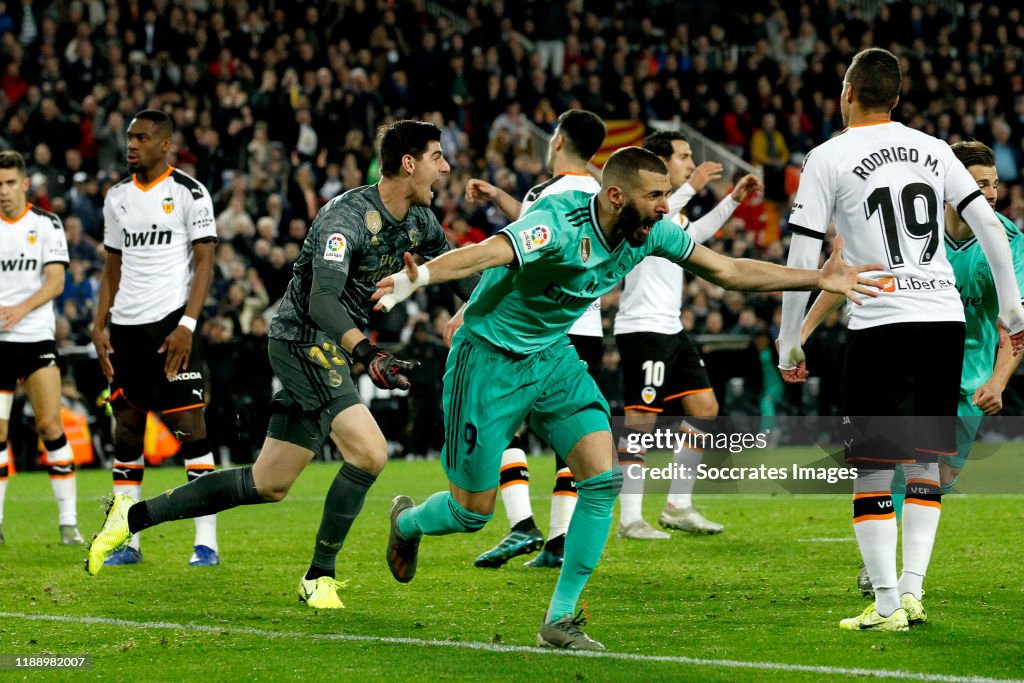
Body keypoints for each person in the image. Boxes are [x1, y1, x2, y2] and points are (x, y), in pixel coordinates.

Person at [373, 146, 881, 650]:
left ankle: (561, 618)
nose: (666, 206)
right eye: (655, 195)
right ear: (616, 196)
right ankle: (409, 521)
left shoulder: (653, 232)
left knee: (602, 477)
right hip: (489, 361)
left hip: (551, 358)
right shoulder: (559, 222)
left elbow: (726, 271)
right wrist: (419, 276)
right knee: (473, 512)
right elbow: (490, 252)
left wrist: (818, 277)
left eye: (666, 194)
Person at [85, 121, 479, 611]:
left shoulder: (420, 221)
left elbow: (465, 272)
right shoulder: (347, 217)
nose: (445, 167)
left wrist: (479, 303)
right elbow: (321, 301)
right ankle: (319, 575)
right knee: (371, 453)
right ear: (408, 163)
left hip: (332, 348)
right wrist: (368, 354)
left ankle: (129, 518)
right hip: (302, 340)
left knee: (267, 484)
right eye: (437, 156)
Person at [776, 49, 1024, 633]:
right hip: (942, 317)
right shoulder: (934, 149)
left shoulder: (827, 156)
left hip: (881, 320)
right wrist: (1013, 310)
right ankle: (911, 594)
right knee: (925, 465)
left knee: (870, 468)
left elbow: (804, 253)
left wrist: (791, 337)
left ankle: (886, 605)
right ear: (896, 97)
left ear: (848, 90)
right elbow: (989, 222)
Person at [464, 109, 607, 569]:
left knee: (503, 423)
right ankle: (561, 539)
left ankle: (522, 524)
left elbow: (520, 250)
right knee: (571, 438)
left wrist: (467, 309)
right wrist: (499, 196)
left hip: (540, 331)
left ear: (559, 140)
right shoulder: (604, 196)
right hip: (589, 327)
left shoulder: (547, 192)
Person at [613, 130, 762, 539]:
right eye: (684, 156)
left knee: (704, 408)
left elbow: (694, 236)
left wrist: (732, 199)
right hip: (643, 327)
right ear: (659, 164)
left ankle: (678, 505)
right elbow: (648, 217)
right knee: (640, 422)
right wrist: (693, 188)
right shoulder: (641, 207)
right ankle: (630, 518)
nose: (691, 163)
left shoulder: (673, 214)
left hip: (671, 327)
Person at [89, 109, 221, 568]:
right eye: (129, 138)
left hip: (170, 328)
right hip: (125, 331)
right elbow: (112, 267)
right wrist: (99, 323)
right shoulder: (116, 197)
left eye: (141, 138)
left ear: (165, 145)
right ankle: (128, 539)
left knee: (191, 430)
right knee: (126, 431)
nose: (131, 146)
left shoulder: (190, 193)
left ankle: (206, 542)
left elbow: (204, 263)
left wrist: (188, 324)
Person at [0, 150, 82, 546]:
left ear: (25, 184)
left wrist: (18, 309)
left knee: (50, 425)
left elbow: (55, 282)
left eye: (10, 182)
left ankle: (68, 522)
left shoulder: (46, 224)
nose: (4, 191)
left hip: (34, 338)